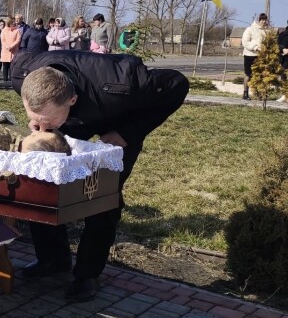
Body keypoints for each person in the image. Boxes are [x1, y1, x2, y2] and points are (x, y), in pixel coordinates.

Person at [10, 49, 188, 302]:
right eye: (34, 120)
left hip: (119, 119)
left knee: (103, 196)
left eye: (45, 121)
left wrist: (128, 132)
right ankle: (52, 259)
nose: (41, 128)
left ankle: (87, 274)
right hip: (72, 120)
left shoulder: (126, 82)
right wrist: (45, 125)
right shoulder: (22, 75)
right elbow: (44, 117)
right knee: (44, 181)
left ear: (71, 100)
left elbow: (177, 83)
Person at [241, 13, 269, 100]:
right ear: (258, 20)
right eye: (262, 20)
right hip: (250, 55)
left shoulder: (266, 31)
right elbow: (245, 42)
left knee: (260, 75)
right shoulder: (250, 29)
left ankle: (258, 94)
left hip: (261, 56)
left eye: (265, 20)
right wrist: (255, 47)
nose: (263, 22)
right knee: (249, 74)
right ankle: (245, 93)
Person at [0, 16, 21, 81]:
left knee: (12, 67)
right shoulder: (4, 30)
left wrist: (11, 46)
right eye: (12, 22)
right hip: (5, 51)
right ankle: (5, 79)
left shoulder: (17, 30)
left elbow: (18, 40)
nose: (14, 23)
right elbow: (2, 40)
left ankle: (11, 79)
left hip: (13, 51)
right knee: (5, 67)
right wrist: (7, 46)